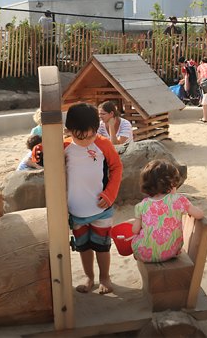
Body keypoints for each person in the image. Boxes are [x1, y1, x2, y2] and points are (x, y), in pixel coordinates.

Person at [64, 103, 123, 294]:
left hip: (101, 208)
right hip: (76, 211)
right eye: (80, 137)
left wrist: (110, 194)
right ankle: (89, 277)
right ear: (70, 130)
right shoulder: (64, 147)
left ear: (96, 129)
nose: (86, 141)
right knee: (83, 247)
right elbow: (41, 155)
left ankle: (104, 277)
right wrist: (37, 151)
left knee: (102, 246)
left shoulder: (103, 144)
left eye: (90, 135)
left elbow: (117, 168)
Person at [131, 159, 204, 263]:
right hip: (172, 252)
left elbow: (135, 230)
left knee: (135, 239)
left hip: (146, 255)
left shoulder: (141, 205)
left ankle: (139, 255)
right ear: (171, 184)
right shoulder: (179, 200)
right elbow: (200, 215)